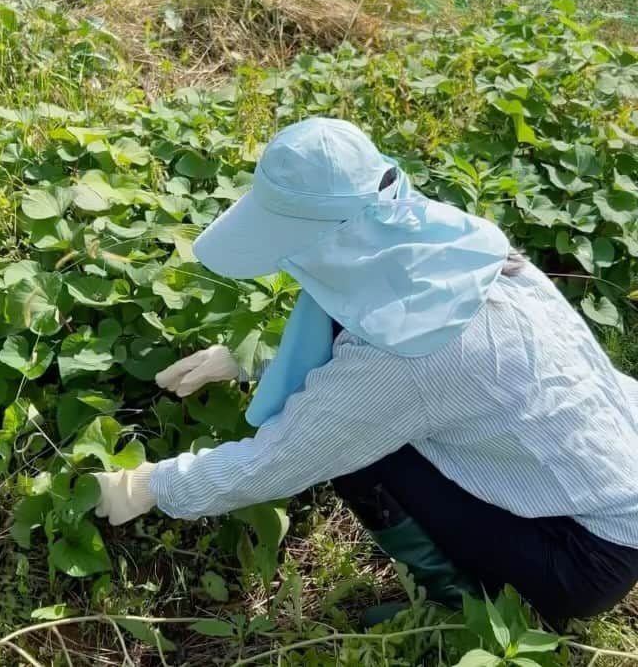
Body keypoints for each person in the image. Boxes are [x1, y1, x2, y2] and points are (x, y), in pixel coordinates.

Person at [94, 117, 638, 623]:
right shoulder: (454, 244)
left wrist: (149, 486)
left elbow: (282, 458)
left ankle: (461, 604)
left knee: (358, 453)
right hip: (619, 464)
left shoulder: (410, 356)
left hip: (584, 553)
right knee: (361, 414)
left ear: (333, 242)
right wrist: (250, 360)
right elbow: (376, 345)